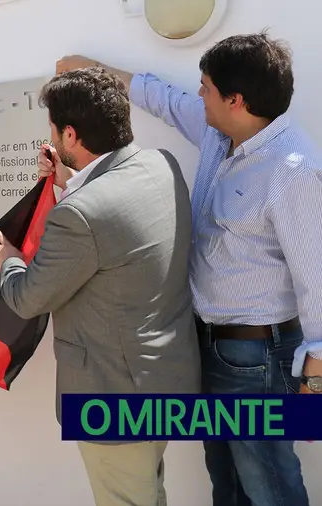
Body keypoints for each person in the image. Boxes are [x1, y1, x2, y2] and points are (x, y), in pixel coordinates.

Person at [56, 32, 318, 506]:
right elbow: (164, 98)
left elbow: (318, 280)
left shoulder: (291, 168)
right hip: (211, 349)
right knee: (228, 481)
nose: (198, 96)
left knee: (270, 483)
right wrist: (93, 68)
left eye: (206, 88)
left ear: (235, 100)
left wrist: (316, 380)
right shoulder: (223, 136)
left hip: (260, 361)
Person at [0, 67, 200, 506]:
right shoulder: (161, 165)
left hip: (114, 396)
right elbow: (115, 231)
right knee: (147, 490)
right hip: (165, 380)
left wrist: (10, 262)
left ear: (69, 134)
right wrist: (68, 183)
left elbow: (28, 298)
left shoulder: (80, 215)